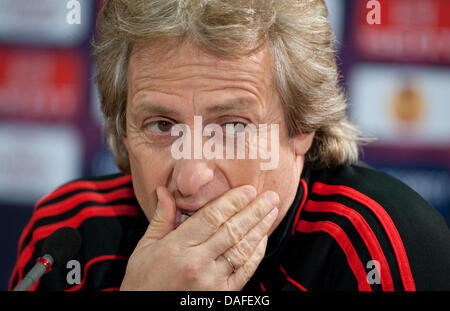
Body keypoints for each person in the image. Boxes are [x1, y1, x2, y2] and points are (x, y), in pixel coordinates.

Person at [9, 0, 450, 291]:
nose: (189, 178)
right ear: (123, 130)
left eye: (232, 126)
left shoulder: (380, 245)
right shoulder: (68, 235)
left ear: (302, 127)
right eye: (162, 125)